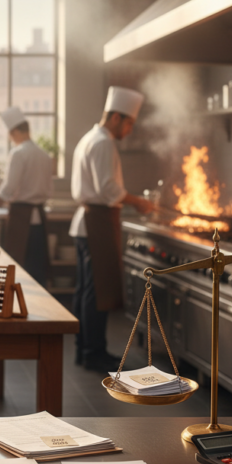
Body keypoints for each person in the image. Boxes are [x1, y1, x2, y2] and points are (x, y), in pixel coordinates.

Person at [69, 86, 156, 370]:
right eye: (129, 123)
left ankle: (84, 348)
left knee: (86, 291)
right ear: (116, 118)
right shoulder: (104, 142)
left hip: (89, 223)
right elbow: (109, 190)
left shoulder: (89, 138)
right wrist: (138, 202)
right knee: (97, 292)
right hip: (98, 224)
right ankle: (94, 352)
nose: (130, 130)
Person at [0, 106, 54, 287]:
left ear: (15, 131)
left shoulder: (18, 153)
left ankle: (19, 307)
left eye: (9, 133)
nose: (9, 138)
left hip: (21, 217)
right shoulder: (44, 155)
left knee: (18, 267)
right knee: (37, 268)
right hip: (39, 217)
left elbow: (9, 187)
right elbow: (48, 189)